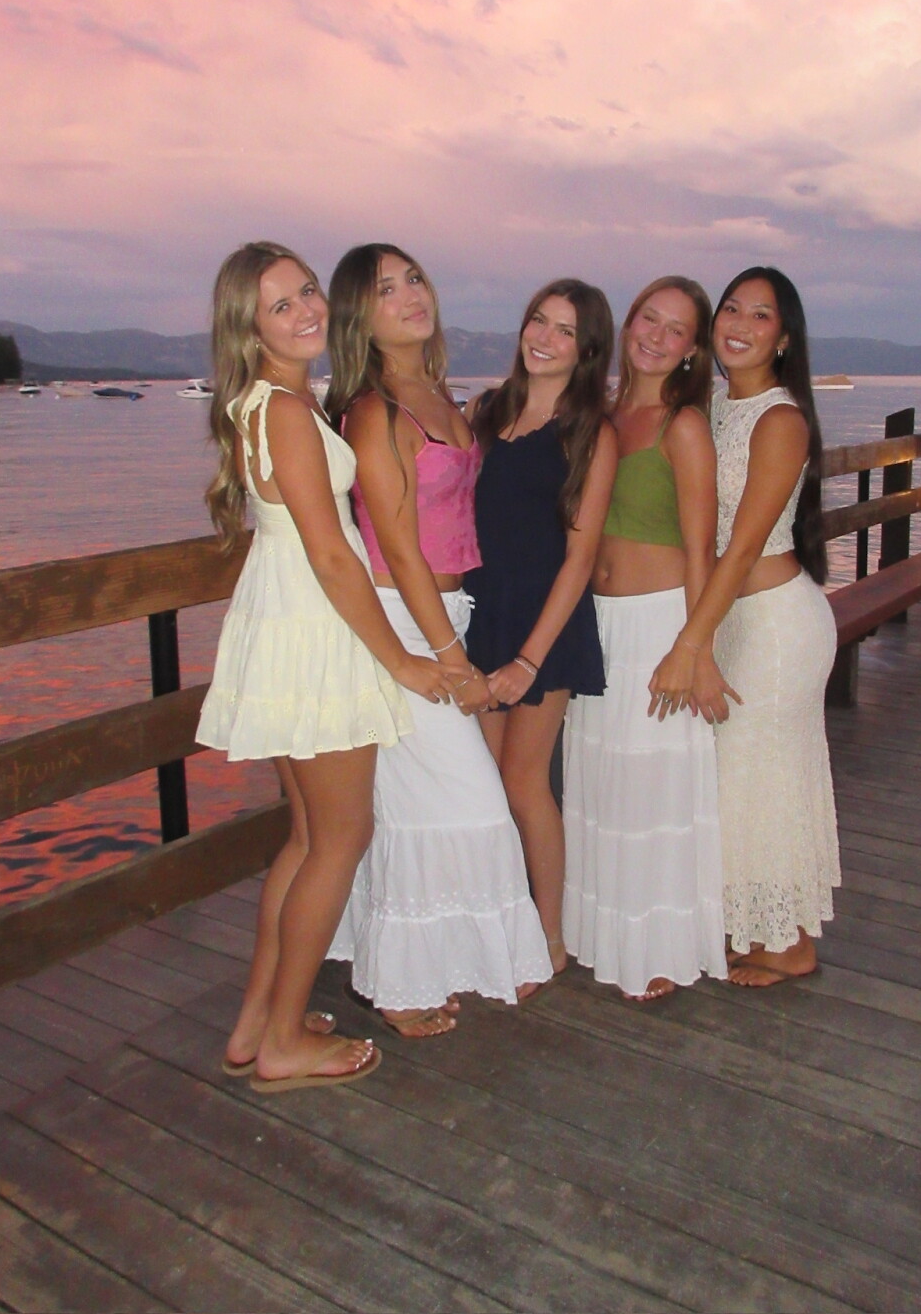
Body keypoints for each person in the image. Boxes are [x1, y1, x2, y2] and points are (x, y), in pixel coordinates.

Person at [196, 242, 456, 1092]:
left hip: (285, 627)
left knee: (309, 838)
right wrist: (402, 661)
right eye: (281, 305)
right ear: (249, 328)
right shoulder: (284, 411)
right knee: (341, 838)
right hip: (315, 633)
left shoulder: (269, 401)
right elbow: (334, 556)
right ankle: (280, 1041)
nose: (307, 309)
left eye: (307, 291)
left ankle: (256, 1023)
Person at [323, 245, 553, 1034]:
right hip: (403, 620)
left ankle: (407, 968)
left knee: (419, 803)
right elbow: (399, 547)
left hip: (445, 615)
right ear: (360, 317)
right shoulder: (375, 410)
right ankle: (399, 983)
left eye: (413, 278)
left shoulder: (435, 393)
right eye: (385, 290)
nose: (409, 295)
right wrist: (453, 663)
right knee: (467, 798)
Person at [649, 266, 840, 987]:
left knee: (764, 780)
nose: (740, 324)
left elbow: (743, 545)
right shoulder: (711, 406)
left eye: (761, 315)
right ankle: (756, 926)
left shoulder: (780, 420)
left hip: (774, 626)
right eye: (732, 308)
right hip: (727, 618)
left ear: (784, 338)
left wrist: (689, 643)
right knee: (739, 782)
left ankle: (789, 944)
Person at [562, 277, 728, 1001]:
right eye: (648, 320)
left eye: (676, 330)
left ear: (692, 349)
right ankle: (603, 935)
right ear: (628, 323)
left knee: (653, 791)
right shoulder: (600, 412)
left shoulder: (681, 426)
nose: (656, 337)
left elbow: (702, 548)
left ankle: (658, 948)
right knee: (602, 787)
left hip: (659, 624)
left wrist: (698, 649)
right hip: (597, 623)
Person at [466, 280, 617, 975]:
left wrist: (528, 659)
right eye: (538, 320)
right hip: (481, 612)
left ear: (587, 350)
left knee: (525, 782)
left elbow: (579, 558)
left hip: (545, 624)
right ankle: (497, 929)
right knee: (485, 785)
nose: (545, 338)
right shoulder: (485, 411)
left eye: (565, 330)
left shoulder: (590, 433)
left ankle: (550, 942)